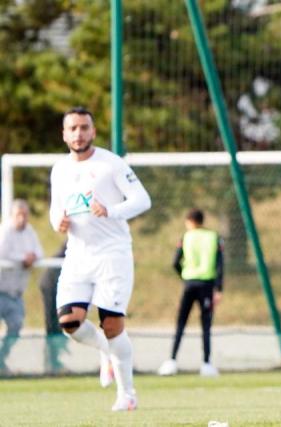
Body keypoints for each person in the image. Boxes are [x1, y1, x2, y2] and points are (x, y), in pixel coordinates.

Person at [50, 107, 151, 411]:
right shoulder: (59, 169)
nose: (79, 133)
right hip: (77, 256)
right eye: (73, 128)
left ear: (93, 132)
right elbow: (56, 208)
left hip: (112, 255)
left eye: (84, 127)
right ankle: (105, 352)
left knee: (111, 324)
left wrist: (111, 210)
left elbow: (142, 200)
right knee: (69, 322)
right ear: (64, 134)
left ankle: (127, 394)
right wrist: (58, 223)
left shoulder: (111, 164)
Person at [158, 208, 223, 377]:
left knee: (181, 323)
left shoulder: (186, 237)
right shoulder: (213, 237)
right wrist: (219, 289)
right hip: (207, 285)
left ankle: (171, 361)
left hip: (189, 284)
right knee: (206, 325)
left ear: (189, 221)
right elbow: (220, 265)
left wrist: (184, 275)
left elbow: (175, 262)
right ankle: (206, 364)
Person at [0, 199, 44, 373]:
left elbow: (39, 252)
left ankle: (1, 359)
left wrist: (32, 257)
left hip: (15, 294)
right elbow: (3, 254)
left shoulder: (30, 232)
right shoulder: (5, 231)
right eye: (19, 215)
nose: (22, 219)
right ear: (12, 215)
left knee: (16, 325)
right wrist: (23, 258)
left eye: (25, 215)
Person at [39, 241, 69, 374]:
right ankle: (52, 362)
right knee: (54, 325)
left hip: (62, 287)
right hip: (52, 285)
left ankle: (54, 361)